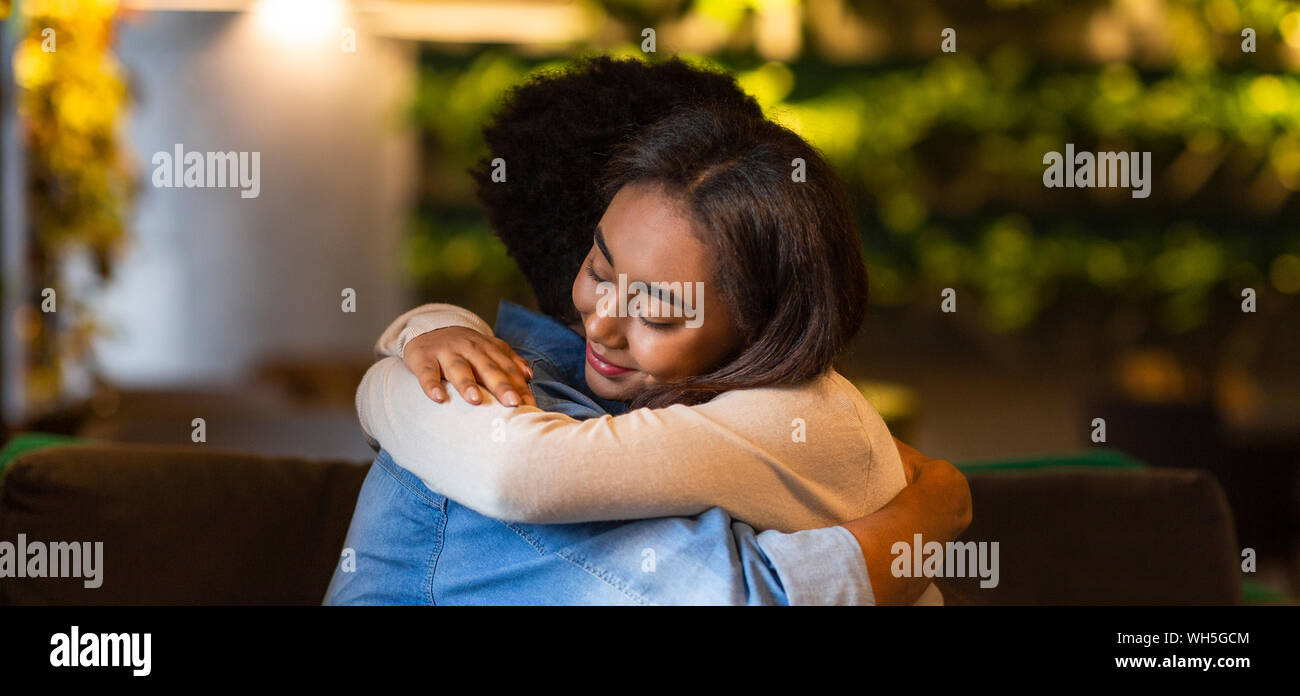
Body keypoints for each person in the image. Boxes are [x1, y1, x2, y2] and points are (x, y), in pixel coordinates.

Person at [324, 57, 970, 606]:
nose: (602, 321)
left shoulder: (791, 414)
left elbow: (520, 469)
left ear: (764, 315)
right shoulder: (482, 425)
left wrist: (410, 346)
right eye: (599, 270)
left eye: (659, 313)